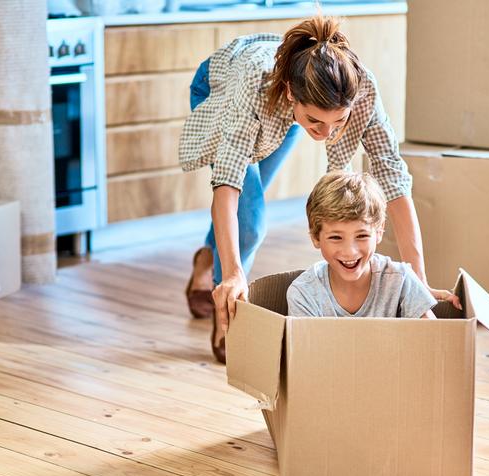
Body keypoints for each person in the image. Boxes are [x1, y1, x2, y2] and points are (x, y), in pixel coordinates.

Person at [179, 16, 460, 363]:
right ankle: (227, 311)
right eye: (316, 123)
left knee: (248, 203)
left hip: (285, 98)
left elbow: (393, 178)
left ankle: (207, 258)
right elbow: (227, 184)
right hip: (222, 87)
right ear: (290, 97)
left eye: (337, 123)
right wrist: (236, 273)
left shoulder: (360, 90)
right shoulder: (256, 89)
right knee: (250, 218)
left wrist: (418, 279)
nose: (326, 133)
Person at [287, 171, 437, 319]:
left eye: (362, 236)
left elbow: (435, 337)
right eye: (336, 237)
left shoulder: (401, 280)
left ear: (379, 231)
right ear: (315, 237)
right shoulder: (304, 293)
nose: (350, 252)